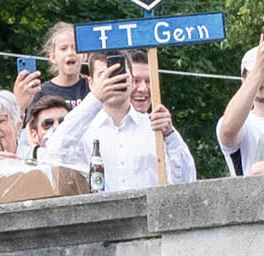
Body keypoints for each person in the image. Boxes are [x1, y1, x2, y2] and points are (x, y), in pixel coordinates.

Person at [48, 54, 196, 190]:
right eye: (104, 76)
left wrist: (170, 136)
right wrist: (95, 99)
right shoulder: (82, 131)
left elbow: (186, 182)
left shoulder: (155, 127)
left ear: (131, 79)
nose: (113, 82)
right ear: (91, 83)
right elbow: (54, 155)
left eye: (119, 74)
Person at [217, 33, 264, 176]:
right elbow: (228, 129)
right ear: (244, 80)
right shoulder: (243, 125)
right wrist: (259, 67)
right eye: (263, 73)